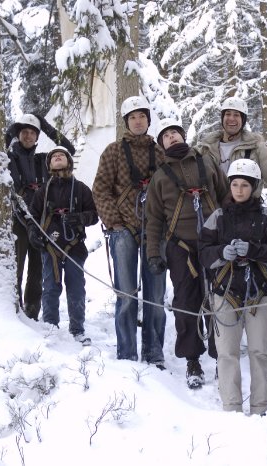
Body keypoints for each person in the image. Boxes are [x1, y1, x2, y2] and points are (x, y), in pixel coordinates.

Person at [145, 118, 229, 388]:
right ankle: (192, 360)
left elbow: (226, 196)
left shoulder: (207, 163)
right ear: (162, 144)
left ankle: (221, 357)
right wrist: (153, 255)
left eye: (175, 133)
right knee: (185, 303)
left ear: (183, 136)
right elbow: (154, 220)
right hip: (180, 246)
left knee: (218, 300)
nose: (171, 138)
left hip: (214, 243)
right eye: (166, 136)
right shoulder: (159, 177)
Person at [198, 159, 267, 414]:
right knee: (227, 353)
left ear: (254, 187)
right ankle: (231, 406)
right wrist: (221, 253)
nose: (238, 190)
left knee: (260, 351)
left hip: (258, 291)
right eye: (235, 184)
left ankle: (260, 407)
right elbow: (203, 252)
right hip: (225, 291)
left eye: (244, 185)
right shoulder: (218, 217)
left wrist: (254, 250)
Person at [92, 96, 167, 366]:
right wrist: (115, 223)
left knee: (156, 296)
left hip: (155, 231)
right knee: (126, 295)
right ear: (127, 121)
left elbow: (168, 192)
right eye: (133, 117)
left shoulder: (159, 154)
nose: (138, 121)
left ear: (148, 120)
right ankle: (127, 353)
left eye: (142, 116)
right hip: (123, 230)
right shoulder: (113, 152)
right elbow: (100, 189)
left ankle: (154, 351)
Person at [6, 113, 76, 320]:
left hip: (40, 221)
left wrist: (45, 126)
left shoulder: (42, 161)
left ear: (37, 137)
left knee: (37, 271)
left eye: (32, 133)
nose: (28, 136)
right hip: (18, 220)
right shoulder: (9, 158)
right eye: (24, 132)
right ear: (18, 135)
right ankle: (13, 311)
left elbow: (68, 150)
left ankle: (32, 312)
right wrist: (12, 130)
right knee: (16, 268)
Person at [28, 146, 98, 345]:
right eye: (54, 157)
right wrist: (34, 232)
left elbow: (94, 215)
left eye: (61, 156)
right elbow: (32, 215)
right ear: (49, 164)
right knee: (50, 285)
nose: (58, 158)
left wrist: (79, 218)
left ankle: (77, 329)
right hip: (50, 244)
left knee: (76, 287)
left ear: (68, 161)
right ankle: (50, 327)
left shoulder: (81, 188)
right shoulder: (43, 191)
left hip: (74, 245)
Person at [196, 96, 267, 215]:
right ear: (222, 117)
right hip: (212, 220)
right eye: (228, 114)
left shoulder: (256, 148)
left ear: (243, 119)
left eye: (236, 115)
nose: (231, 118)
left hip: (247, 220)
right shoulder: (206, 148)